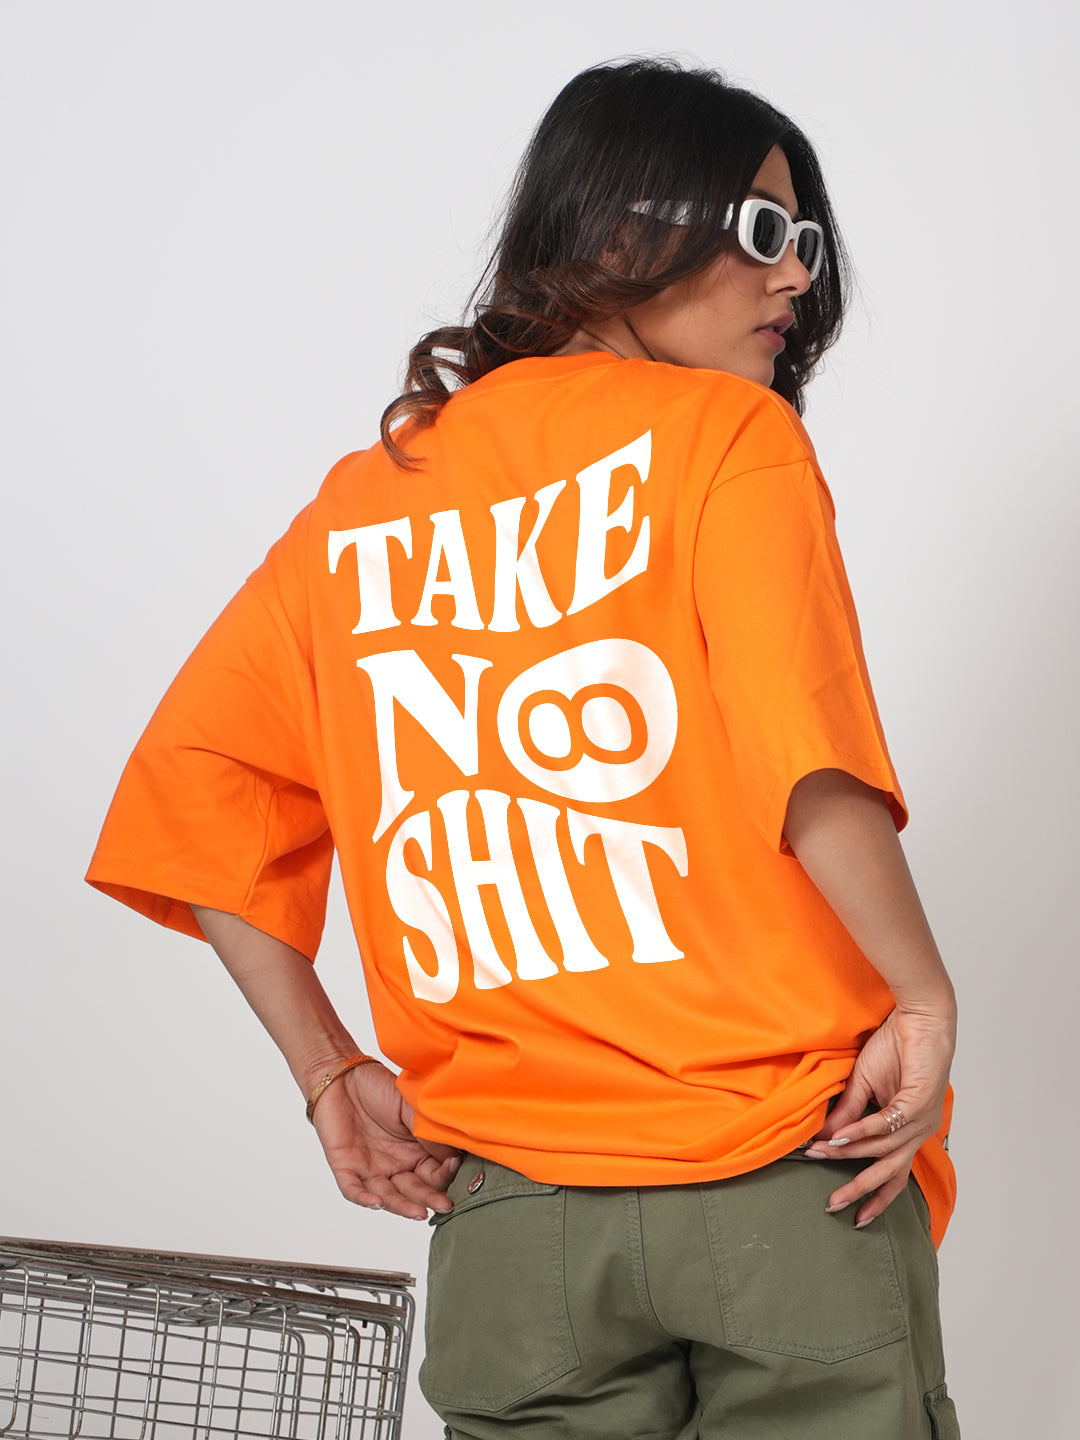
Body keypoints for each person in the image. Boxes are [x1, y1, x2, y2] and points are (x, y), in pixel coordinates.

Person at [87, 58, 959, 1439]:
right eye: (761, 230)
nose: (796, 274)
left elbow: (197, 788)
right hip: (782, 1174)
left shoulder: (363, 506)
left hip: (512, 1230)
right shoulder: (727, 438)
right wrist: (919, 997)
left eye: (804, 240)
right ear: (616, 230)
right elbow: (810, 764)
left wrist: (328, 1074)